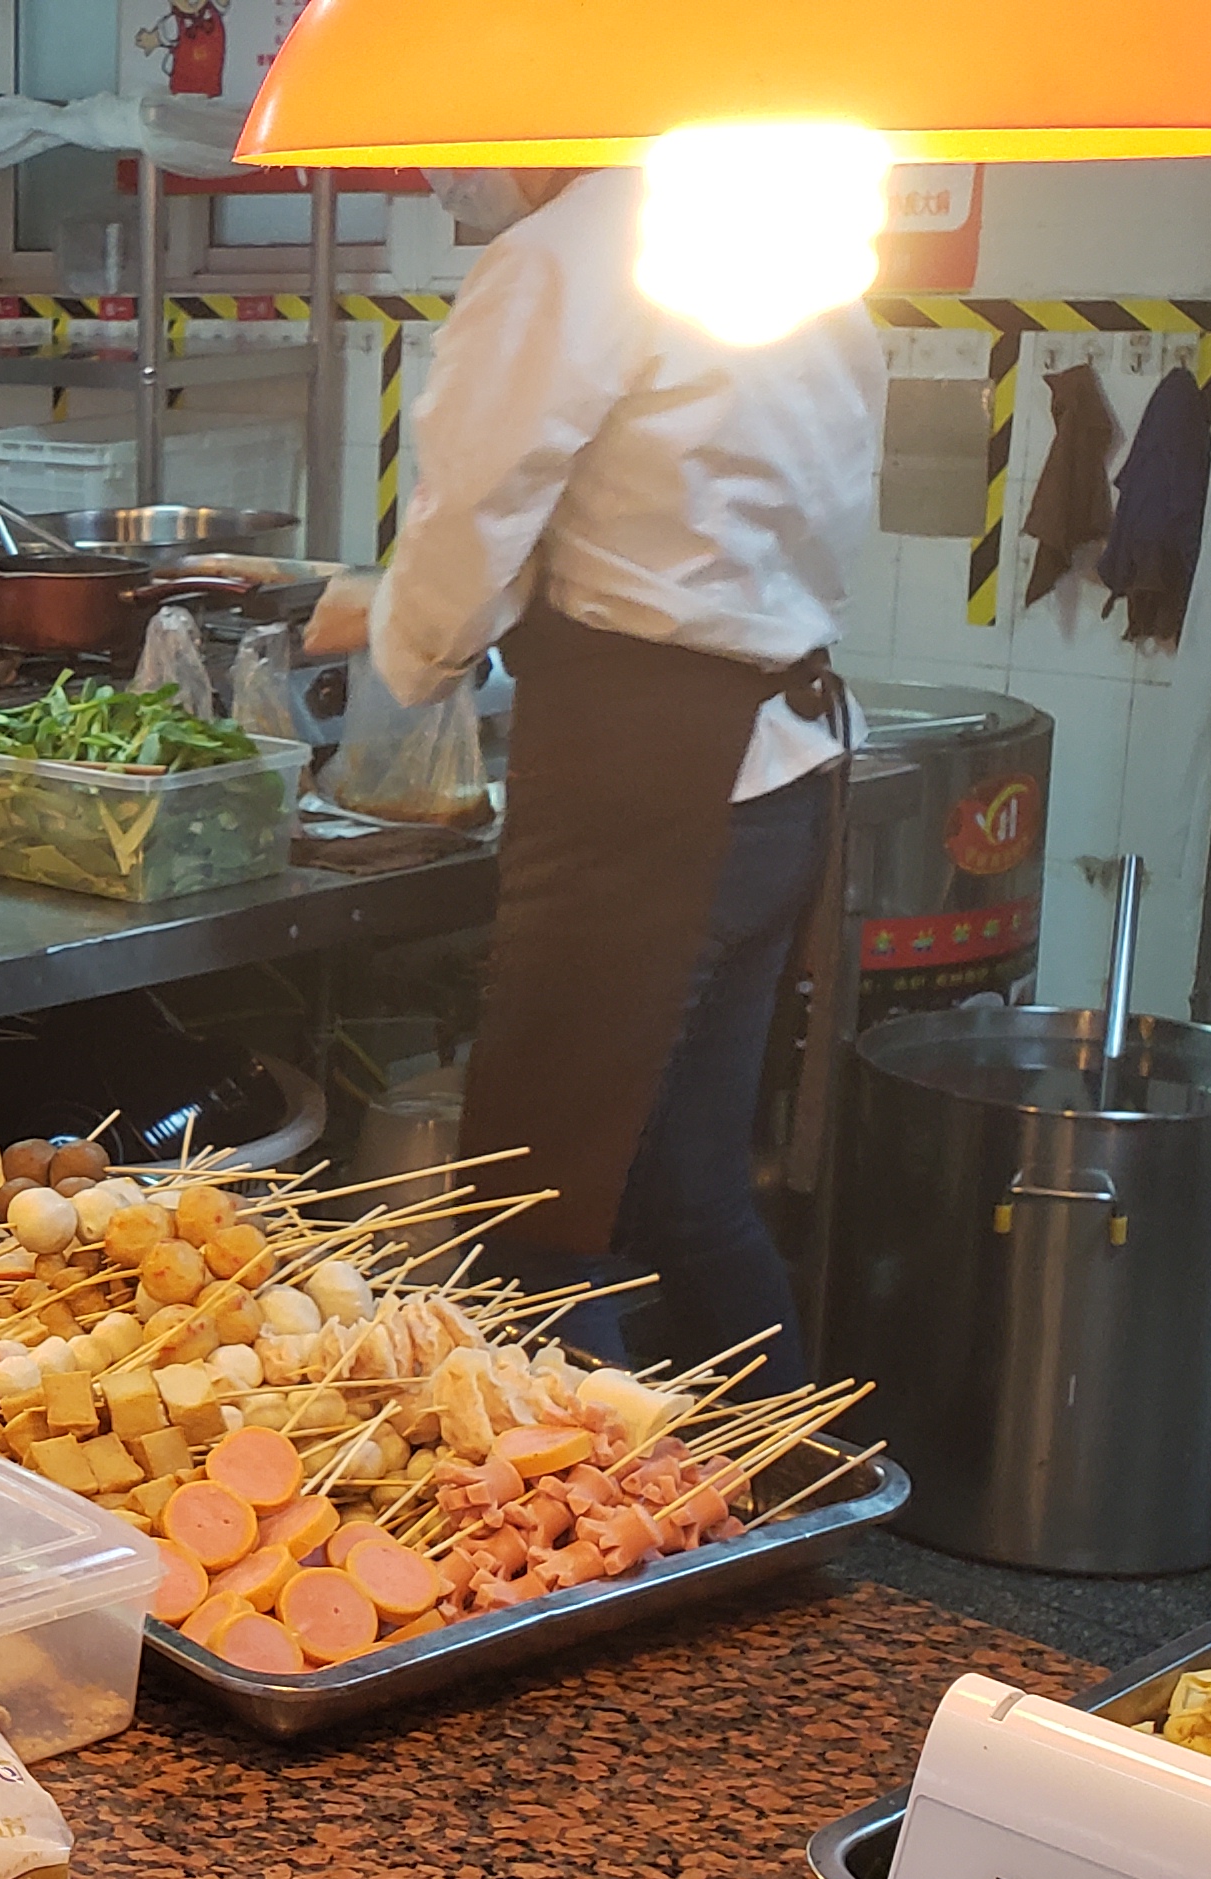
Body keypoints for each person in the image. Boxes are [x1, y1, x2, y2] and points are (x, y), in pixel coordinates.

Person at [311, 165, 884, 1376]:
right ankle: (808, 1507)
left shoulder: (562, 253)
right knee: (694, 1189)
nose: (447, 172)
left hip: (649, 783)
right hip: (782, 767)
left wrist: (404, 630)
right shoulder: (786, 226)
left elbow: (476, 514)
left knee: (532, 1217)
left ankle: (607, 1548)